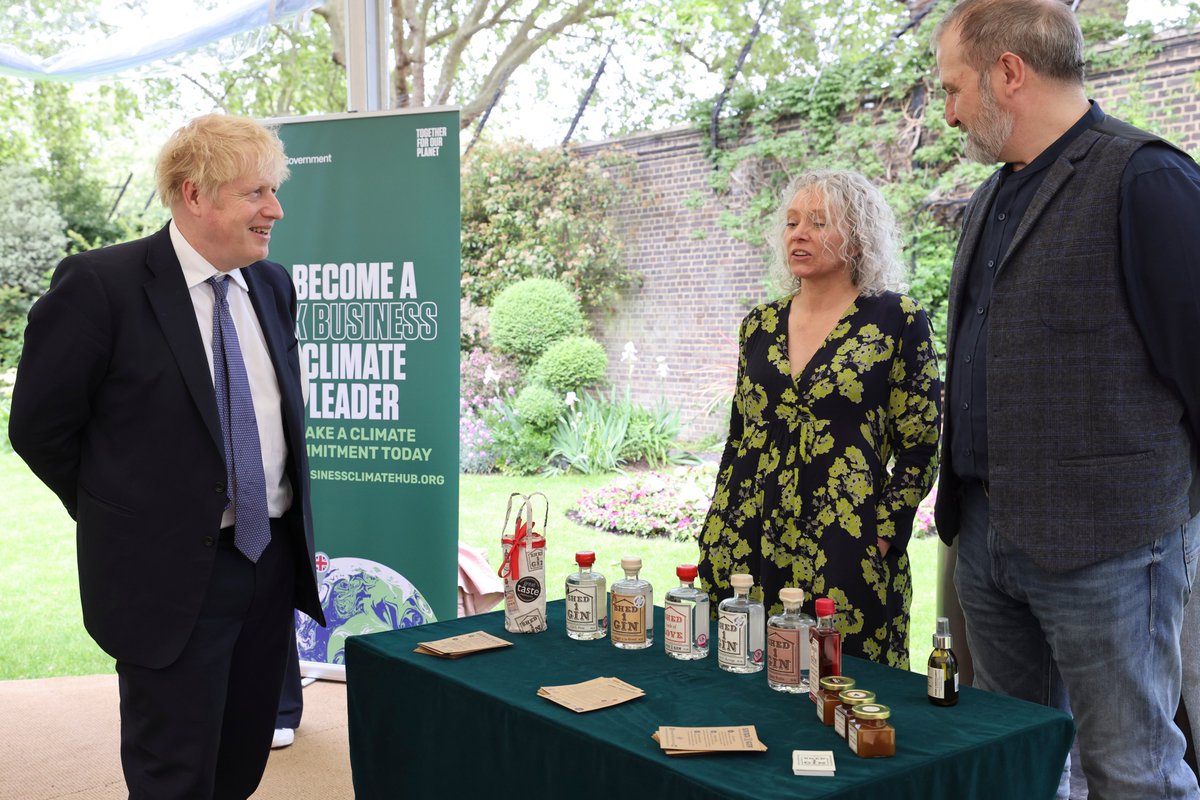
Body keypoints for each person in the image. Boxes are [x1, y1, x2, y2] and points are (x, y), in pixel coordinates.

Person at [8, 114, 325, 800]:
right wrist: (125, 513)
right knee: (172, 774)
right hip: (167, 578)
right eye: (256, 193)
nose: (275, 209)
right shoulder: (100, 286)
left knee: (242, 757)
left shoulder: (272, 287)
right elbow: (40, 429)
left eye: (273, 191)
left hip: (266, 563)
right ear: (194, 195)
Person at [931, 0, 1200, 797]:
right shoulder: (990, 196)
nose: (947, 113)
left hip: (1111, 550)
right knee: (1017, 761)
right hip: (985, 540)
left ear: (1007, 72)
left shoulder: (1146, 177)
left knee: (1131, 770)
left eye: (952, 89)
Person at [698, 169, 942, 669]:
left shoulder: (897, 319)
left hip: (846, 542)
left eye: (818, 222)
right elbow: (740, 436)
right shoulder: (759, 325)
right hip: (752, 535)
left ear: (857, 238)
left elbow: (921, 443)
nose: (799, 234)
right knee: (748, 678)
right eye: (791, 223)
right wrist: (717, 525)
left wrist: (885, 529)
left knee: (844, 688)